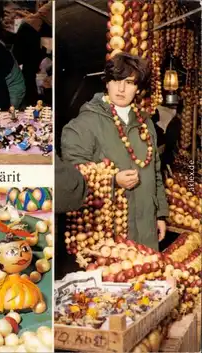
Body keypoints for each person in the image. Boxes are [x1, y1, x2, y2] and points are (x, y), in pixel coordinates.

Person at [61, 53, 168, 250]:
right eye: (116, 80)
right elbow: (70, 175)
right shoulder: (84, 124)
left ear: (137, 88)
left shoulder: (146, 123)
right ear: (107, 83)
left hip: (146, 229)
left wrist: (160, 214)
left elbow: (155, 172)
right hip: (108, 231)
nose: (121, 89)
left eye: (129, 82)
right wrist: (113, 180)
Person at [12, 2, 52, 106]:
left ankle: (31, 99)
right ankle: (32, 100)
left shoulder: (29, 23)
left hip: (31, 30)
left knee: (30, 69)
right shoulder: (53, 9)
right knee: (30, 68)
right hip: (31, 32)